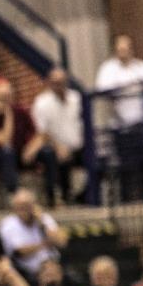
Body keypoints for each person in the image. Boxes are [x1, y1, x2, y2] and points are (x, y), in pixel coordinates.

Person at [95, 34, 143, 202]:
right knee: (126, 168)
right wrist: (127, 89)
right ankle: (127, 203)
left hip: (142, 126)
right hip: (121, 127)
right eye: (120, 49)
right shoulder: (108, 69)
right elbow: (102, 90)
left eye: (126, 49)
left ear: (131, 49)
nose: (123, 52)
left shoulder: (141, 67)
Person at [29, 68, 85, 206]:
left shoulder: (76, 99)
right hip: (54, 146)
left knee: (98, 157)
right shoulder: (41, 103)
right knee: (52, 155)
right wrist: (59, 147)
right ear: (48, 83)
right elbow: (43, 132)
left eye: (61, 82)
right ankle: (56, 197)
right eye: (54, 83)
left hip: (78, 147)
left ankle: (83, 196)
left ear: (66, 82)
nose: (58, 86)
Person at [0, 78, 40, 196]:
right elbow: (4, 140)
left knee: (47, 152)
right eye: (2, 97)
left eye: (7, 96)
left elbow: (38, 134)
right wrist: (8, 113)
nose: (6, 100)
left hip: (20, 153)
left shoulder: (21, 112)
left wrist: (31, 148)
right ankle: (14, 193)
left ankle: (56, 194)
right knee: (7, 151)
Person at [0, 189, 69, 280]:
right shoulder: (8, 224)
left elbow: (62, 242)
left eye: (27, 205)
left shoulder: (43, 218)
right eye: (20, 206)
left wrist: (42, 223)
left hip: (54, 266)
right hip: (27, 272)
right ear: (14, 208)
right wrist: (45, 244)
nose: (24, 210)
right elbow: (21, 252)